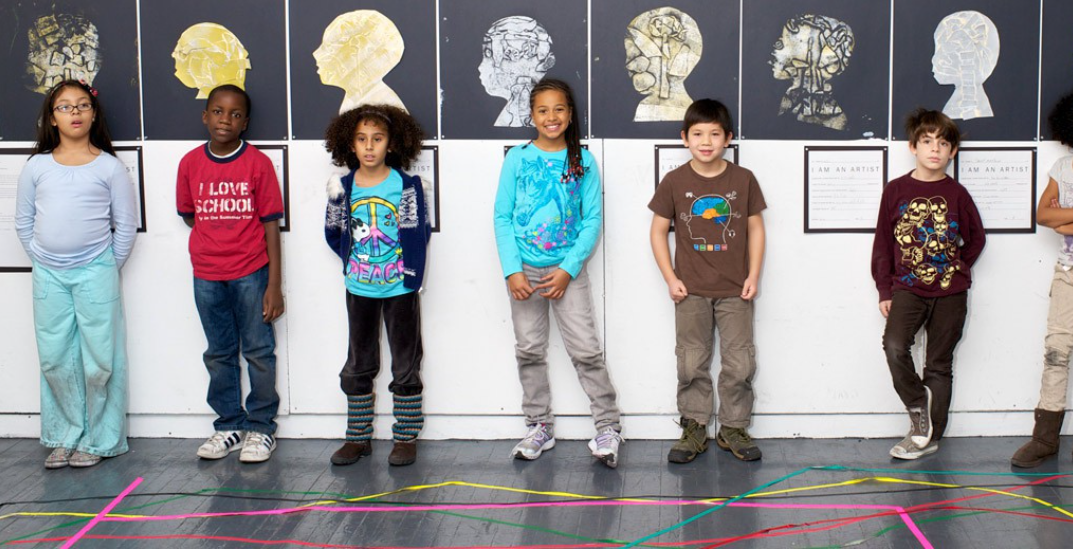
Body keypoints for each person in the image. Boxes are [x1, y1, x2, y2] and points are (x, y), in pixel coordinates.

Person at [493, 77, 623, 468]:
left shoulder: (582, 161)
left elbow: (592, 219)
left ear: (570, 115)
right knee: (529, 350)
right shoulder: (516, 158)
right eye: (543, 110)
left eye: (559, 109)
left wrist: (568, 270)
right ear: (531, 114)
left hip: (567, 272)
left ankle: (607, 425)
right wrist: (513, 271)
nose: (551, 117)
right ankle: (538, 425)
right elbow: (501, 216)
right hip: (525, 273)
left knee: (585, 350)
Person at [15, 79, 137, 468]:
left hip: (96, 272)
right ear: (52, 119)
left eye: (82, 105)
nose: (75, 113)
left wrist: (102, 266)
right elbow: (23, 222)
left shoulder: (109, 167)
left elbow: (125, 226)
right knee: (54, 357)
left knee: (100, 360)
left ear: (94, 113)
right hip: (48, 275)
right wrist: (45, 258)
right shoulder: (36, 167)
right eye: (65, 107)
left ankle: (100, 439)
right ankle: (65, 434)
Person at [648, 98, 767, 464]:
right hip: (690, 290)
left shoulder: (743, 180)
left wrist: (753, 275)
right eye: (698, 134)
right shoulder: (674, 181)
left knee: (740, 363)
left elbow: (756, 230)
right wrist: (670, 278)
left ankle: (733, 426)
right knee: (691, 362)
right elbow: (656, 233)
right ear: (685, 138)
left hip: (735, 290)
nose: (706, 141)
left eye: (715, 134)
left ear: (728, 138)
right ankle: (695, 426)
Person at [176, 84, 284, 463]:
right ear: (206, 116)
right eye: (218, 112)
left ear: (245, 123)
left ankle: (260, 427)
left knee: (258, 350)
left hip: (251, 272)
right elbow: (190, 214)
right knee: (218, 353)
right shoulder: (190, 163)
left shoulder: (258, 164)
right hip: (206, 274)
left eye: (235, 114)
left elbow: (271, 225)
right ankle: (229, 425)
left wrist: (274, 284)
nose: (226, 120)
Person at [872, 108, 985, 460]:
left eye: (943, 143)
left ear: (952, 152)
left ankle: (927, 436)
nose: (934, 149)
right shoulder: (896, 190)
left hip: (951, 292)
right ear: (913, 147)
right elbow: (883, 244)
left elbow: (976, 238)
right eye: (927, 142)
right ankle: (920, 407)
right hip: (907, 288)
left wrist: (957, 269)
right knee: (894, 346)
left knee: (939, 363)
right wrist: (885, 289)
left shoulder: (958, 194)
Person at [323, 104, 431, 467]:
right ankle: (358, 438)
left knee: (406, 362)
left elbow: (417, 234)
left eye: (377, 139)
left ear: (391, 143)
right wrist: (350, 262)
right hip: (359, 288)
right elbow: (334, 231)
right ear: (350, 145)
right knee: (359, 362)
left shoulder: (407, 185)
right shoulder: (343, 186)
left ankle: (405, 437)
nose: (369, 146)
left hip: (400, 289)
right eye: (361, 139)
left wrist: (411, 275)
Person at [1012, 93, 1073, 468]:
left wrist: (1064, 218)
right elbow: (1042, 215)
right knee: (1056, 351)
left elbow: (1056, 218)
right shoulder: (1063, 167)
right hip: (1068, 271)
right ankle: (1045, 437)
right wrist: (1059, 219)